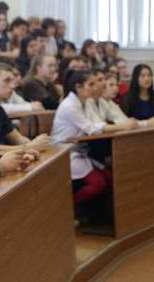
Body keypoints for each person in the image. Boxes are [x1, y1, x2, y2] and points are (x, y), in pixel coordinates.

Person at [50, 70, 132, 210]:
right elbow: (91, 129)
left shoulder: (83, 102)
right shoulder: (70, 105)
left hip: (79, 151)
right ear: (78, 87)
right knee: (98, 183)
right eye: (91, 84)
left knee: (110, 177)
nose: (96, 87)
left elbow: (96, 124)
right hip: (63, 154)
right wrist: (122, 126)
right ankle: (67, 211)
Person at [0, 63, 50, 153]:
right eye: (6, 81)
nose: (13, 86)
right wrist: (30, 147)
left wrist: (38, 143)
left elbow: (17, 138)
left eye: (12, 81)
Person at [84, 69, 149, 129]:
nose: (104, 83)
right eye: (111, 85)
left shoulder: (104, 101)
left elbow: (122, 120)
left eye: (116, 85)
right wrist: (146, 123)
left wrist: (137, 123)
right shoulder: (88, 101)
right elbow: (98, 127)